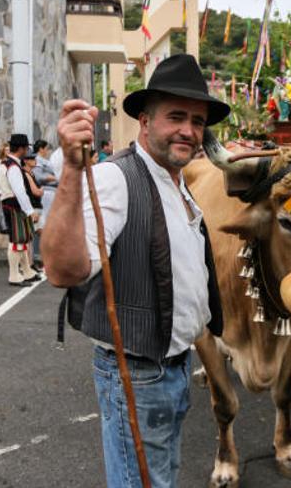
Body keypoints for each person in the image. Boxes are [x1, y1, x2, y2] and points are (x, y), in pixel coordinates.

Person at [43, 54, 227, 488]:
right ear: (145, 123)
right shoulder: (115, 178)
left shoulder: (179, 182)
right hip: (138, 374)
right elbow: (62, 270)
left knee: (160, 477)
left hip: (175, 367)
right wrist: (72, 168)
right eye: (176, 117)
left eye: (197, 121)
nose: (188, 130)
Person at [0, 134, 41, 286]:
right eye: (27, 147)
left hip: (9, 203)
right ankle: (14, 275)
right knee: (17, 241)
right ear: (21, 149)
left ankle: (26, 270)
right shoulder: (13, 167)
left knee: (22, 239)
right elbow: (19, 191)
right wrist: (30, 211)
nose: (28, 150)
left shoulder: (5, 163)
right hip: (15, 205)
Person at [32, 140, 59, 265]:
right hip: (46, 192)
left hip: (52, 192)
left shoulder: (44, 161)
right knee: (45, 225)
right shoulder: (38, 161)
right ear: (41, 149)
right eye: (46, 148)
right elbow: (38, 177)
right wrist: (55, 178)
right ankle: (43, 254)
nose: (48, 151)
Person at [21, 153, 45, 268]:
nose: (34, 160)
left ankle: (35, 261)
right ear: (25, 161)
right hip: (32, 208)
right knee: (29, 237)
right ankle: (29, 264)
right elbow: (36, 192)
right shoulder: (26, 174)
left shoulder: (31, 173)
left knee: (41, 233)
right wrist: (42, 189)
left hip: (36, 207)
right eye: (31, 158)